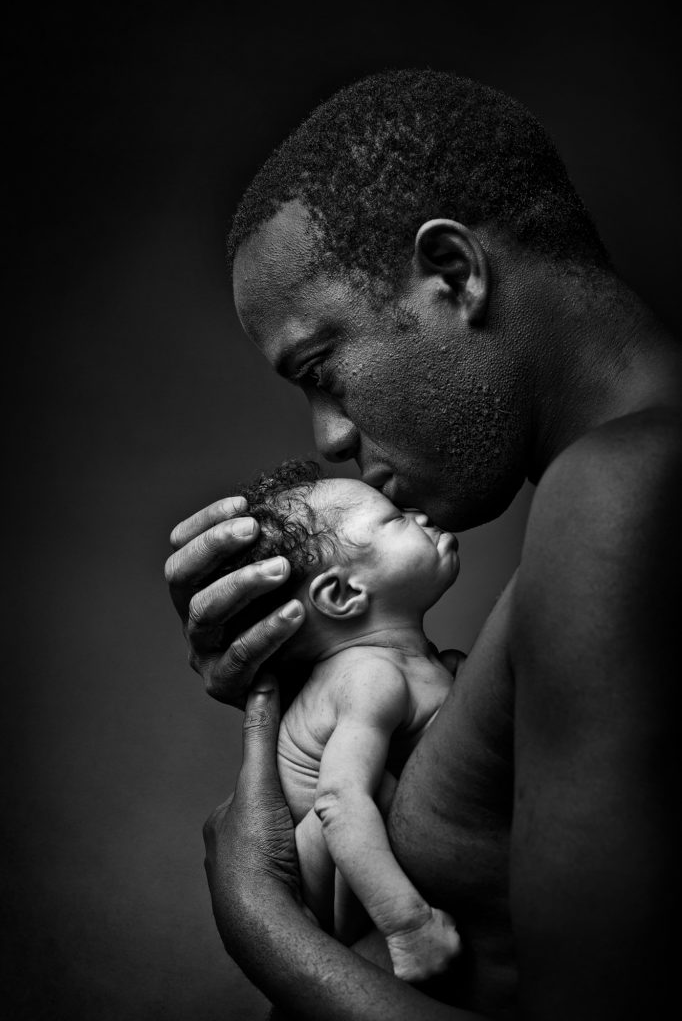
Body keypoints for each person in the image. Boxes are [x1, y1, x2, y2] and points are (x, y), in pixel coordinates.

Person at [165, 70, 682, 1019]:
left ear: (453, 273)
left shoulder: (621, 490)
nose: (325, 436)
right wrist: (304, 666)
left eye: (323, 370)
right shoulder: (622, 500)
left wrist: (258, 919)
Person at [231, 457, 462, 980]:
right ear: (342, 594)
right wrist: (406, 924)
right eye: (396, 519)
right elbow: (337, 801)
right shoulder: (369, 677)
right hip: (341, 884)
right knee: (372, 787)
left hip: (373, 862)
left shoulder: (423, 663)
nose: (421, 517)